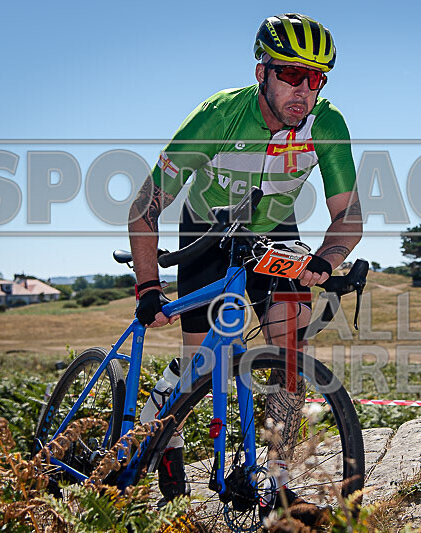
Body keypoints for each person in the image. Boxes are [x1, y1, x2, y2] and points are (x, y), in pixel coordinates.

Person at [126, 13, 362, 514]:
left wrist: (326, 258)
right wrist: (148, 286)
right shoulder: (219, 116)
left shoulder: (328, 125)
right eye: (292, 75)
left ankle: (274, 479)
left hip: (273, 234)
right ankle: (167, 443)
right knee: (203, 365)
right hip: (206, 233)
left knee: (290, 351)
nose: (304, 90)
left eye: (315, 79)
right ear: (263, 74)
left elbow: (349, 215)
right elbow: (145, 206)